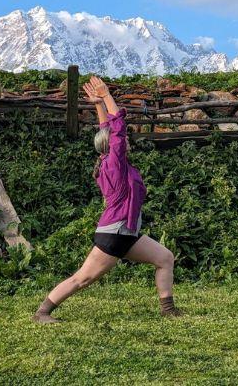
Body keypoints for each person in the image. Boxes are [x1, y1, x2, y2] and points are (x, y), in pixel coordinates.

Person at [33, 76, 183, 323]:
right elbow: (117, 127)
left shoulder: (111, 162)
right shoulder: (114, 164)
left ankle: (169, 310)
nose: (125, 141)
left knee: (164, 258)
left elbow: (107, 129)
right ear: (113, 145)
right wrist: (107, 96)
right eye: (120, 140)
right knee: (83, 278)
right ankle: (42, 313)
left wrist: (98, 104)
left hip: (128, 232)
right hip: (115, 232)